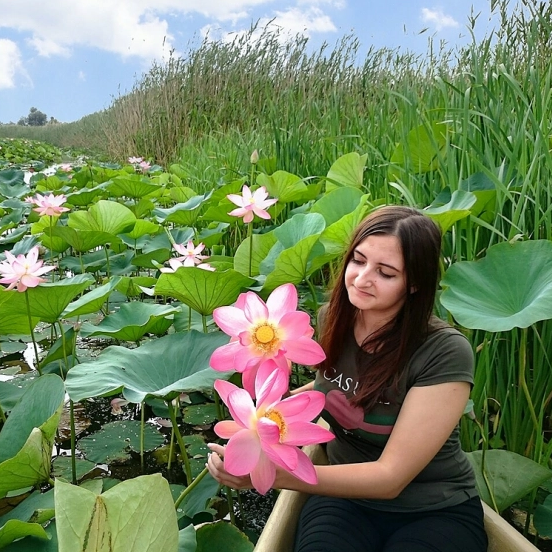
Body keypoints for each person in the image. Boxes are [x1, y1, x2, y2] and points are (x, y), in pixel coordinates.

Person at [207, 205, 487, 552]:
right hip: (344, 500)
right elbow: (331, 385)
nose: (361, 278)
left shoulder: (443, 351)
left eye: (385, 273)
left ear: (415, 283)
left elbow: (390, 478)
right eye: (358, 260)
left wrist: (271, 474)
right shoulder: (333, 319)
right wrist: (263, 415)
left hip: (432, 508)